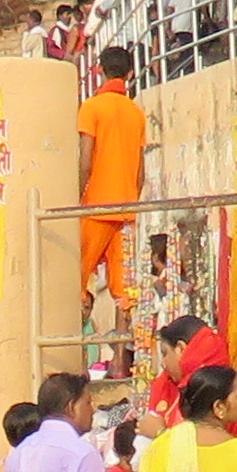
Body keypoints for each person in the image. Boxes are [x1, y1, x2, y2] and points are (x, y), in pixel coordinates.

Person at [77, 49, 148, 324]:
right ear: (130, 74)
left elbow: (86, 162)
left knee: (76, 280)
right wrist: (131, 202)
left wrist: (75, 199)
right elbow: (140, 172)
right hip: (126, 209)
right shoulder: (136, 113)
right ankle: (120, 361)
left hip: (95, 207)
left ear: (99, 70)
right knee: (124, 290)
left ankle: (75, 353)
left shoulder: (92, 107)